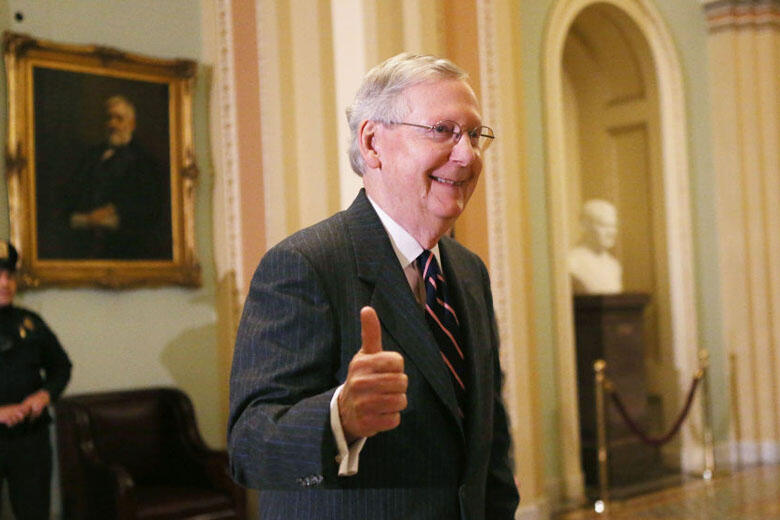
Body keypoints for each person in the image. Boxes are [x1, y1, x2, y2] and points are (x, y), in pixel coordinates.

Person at [228, 53, 519, 519]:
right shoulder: (305, 264)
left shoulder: (468, 271)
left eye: (475, 134)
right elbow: (250, 450)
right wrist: (338, 417)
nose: (467, 155)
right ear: (373, 143)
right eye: (443, 130)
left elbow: (490, 434)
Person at [0, 240, 72, 519]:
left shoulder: (31, 323)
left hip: (29, 440)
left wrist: (44, 396)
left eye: (9, 275)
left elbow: (61, 367)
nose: (4, 283)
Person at [66, 95, 170, 259]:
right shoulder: (92, 155)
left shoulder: (144, 160)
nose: (112, 124)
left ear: (132, 124)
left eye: (119, 119)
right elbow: (74, 192)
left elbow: (147, 204)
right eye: (109, 118)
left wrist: (110, 210)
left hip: (124, 245)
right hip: (85, 242)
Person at [568, 198, 623, 294]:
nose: (611, 232)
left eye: (613, 226)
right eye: (604, 225)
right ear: (584, 226)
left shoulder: (613, 265)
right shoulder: (571, 262)